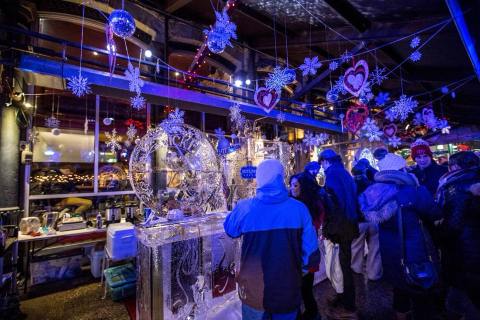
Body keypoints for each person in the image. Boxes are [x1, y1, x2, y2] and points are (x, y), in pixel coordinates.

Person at [224, 159, 320, 320]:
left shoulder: (245, 207)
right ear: (281, 178)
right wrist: (296, 272)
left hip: (253, 289)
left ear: (259, 179)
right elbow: (311, 255)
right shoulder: (299, 209)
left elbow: (230, 230)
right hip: (288, 288)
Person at [358, 153, 441, 320]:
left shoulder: (374, 193)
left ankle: (400, 315)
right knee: (420, 291)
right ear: (401, 170)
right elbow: (435, 214)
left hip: (390, 252)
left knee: (399, 287)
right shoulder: (413, 192)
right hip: (414, 250)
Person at [436, 151, 480, 319]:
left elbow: (454, 221)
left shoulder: (457, 185)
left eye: (451, 164)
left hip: (464, 243)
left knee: (467, 283)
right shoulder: (474, 179)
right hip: (473, 237)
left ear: (456, 166)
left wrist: (440, 234)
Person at [318, 149, 359, 317]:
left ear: (326, 161)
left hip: (340, 227)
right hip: (349, 225)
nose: (322, 167)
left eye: (322, 163)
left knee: (341, 266)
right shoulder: (345, 173)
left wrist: (330, 228)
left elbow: (334, 204)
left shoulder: (332, 175)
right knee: (344, 265)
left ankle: (348, 304)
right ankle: (344, 298)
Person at [290, 173, 324, 320]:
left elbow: (314, 227)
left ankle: (312, 314)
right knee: (303, 289)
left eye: (295, 185)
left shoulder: (310, 206)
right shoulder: (293, 204)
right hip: (300, 252)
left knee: (304, 288)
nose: (292, 188)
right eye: (291, 185)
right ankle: (312, 313)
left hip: (306, 253)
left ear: (303, 187)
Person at [350, 159, 383, 281]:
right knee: (375, 248)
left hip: (359, 221)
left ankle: (356, 272)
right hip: (374, 220)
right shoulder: (372, 183)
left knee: (356, 248)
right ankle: (374, 274)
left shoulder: (351, 185)